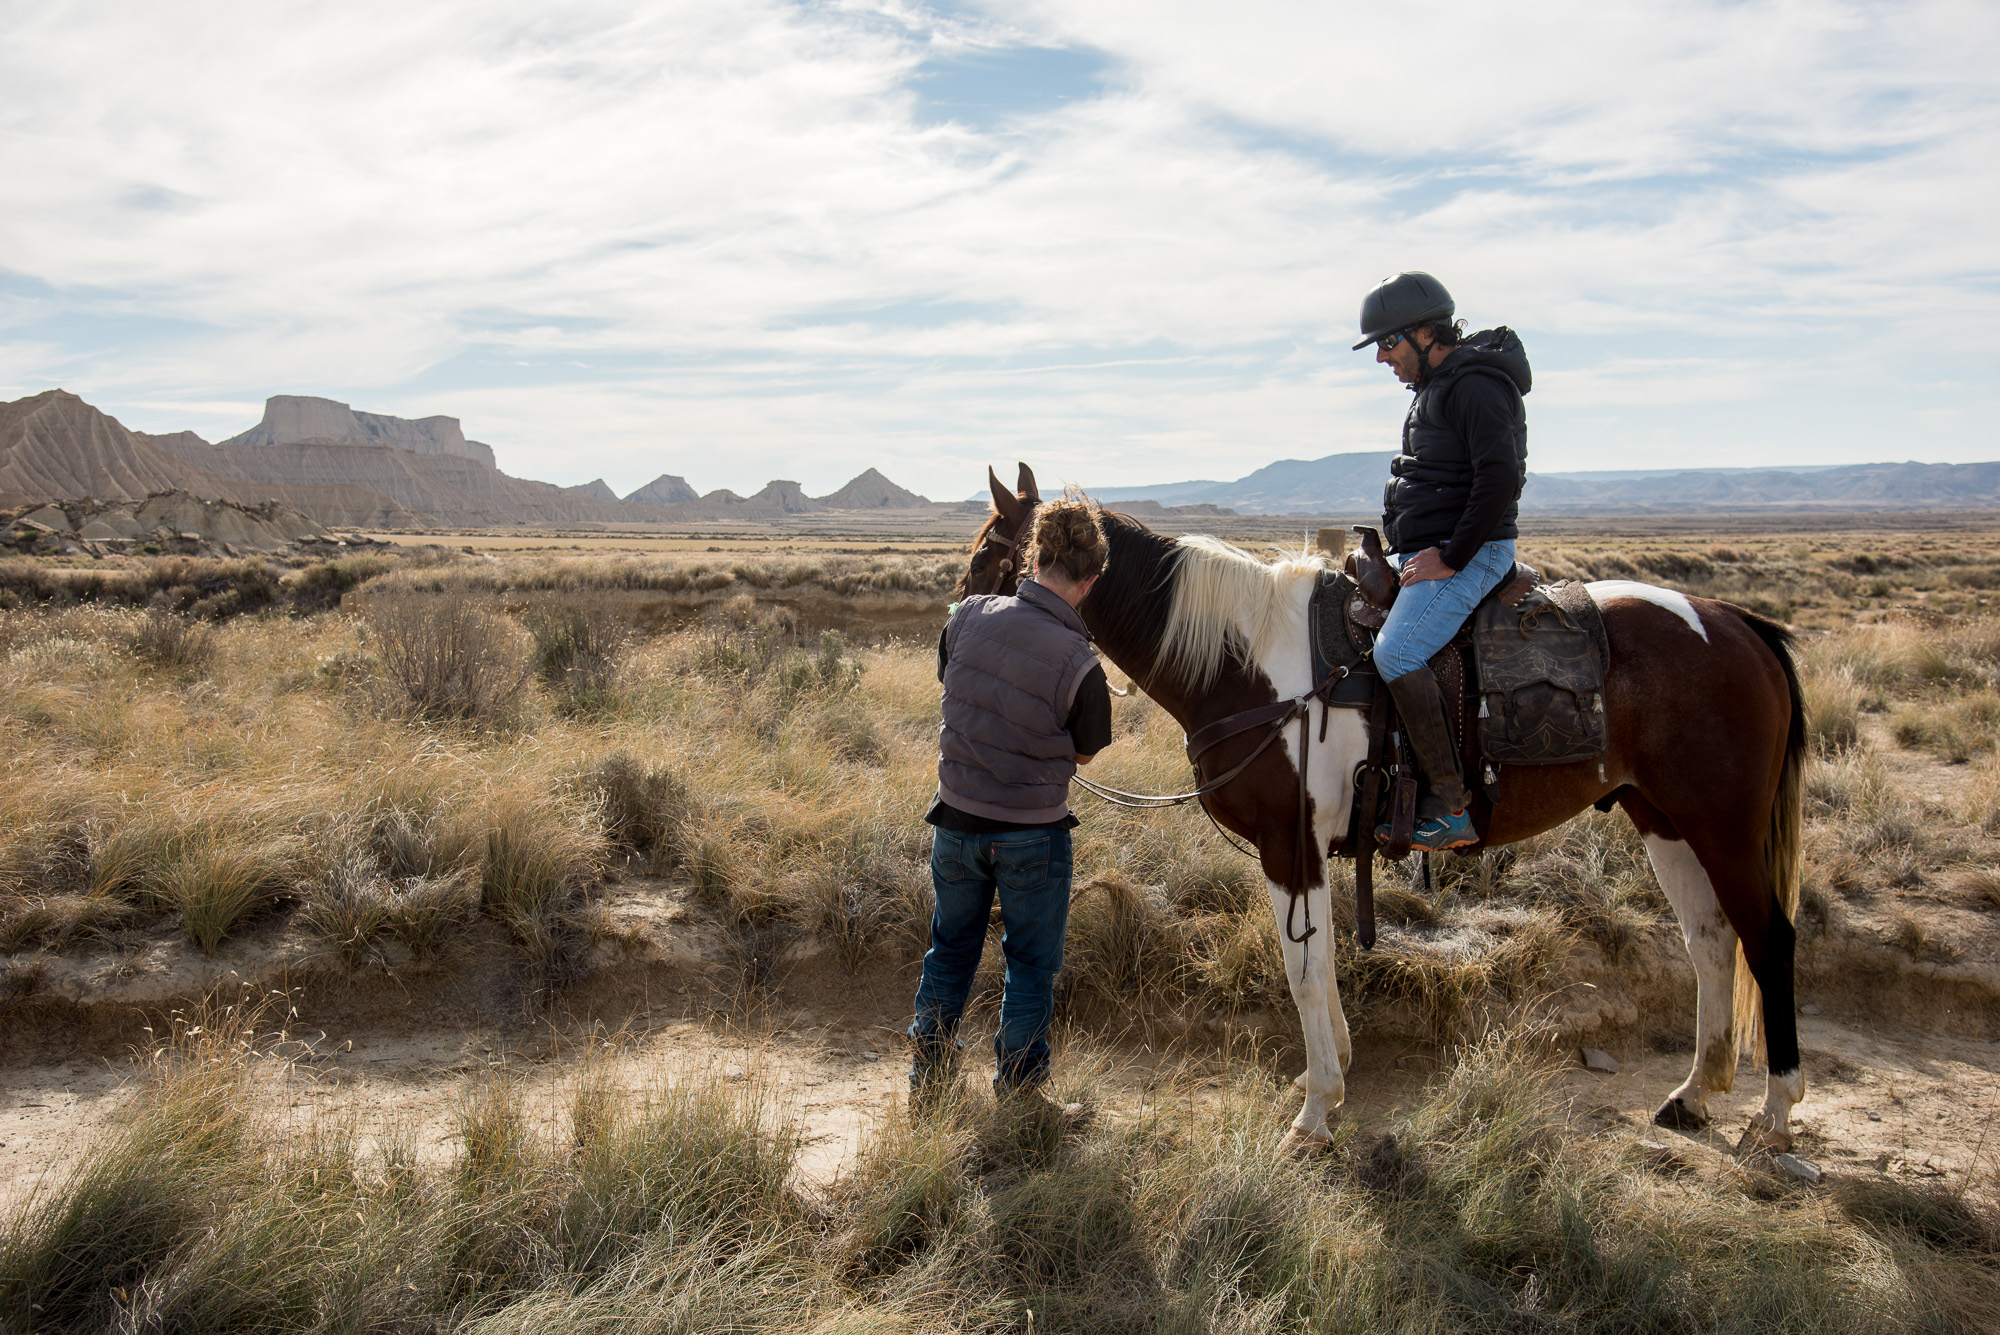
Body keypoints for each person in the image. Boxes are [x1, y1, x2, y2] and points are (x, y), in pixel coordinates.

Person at [908, 491, 1114, 1108]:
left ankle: (928, 1088)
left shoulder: (965, 616)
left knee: (949, 952)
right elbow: (1084, 752)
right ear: (1091, 579)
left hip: (955, 823)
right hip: (1033, 837)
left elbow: (953, 678)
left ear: (1033, 555)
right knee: (1028, 966)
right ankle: (1022, 1098)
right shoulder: (1082, 664)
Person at [1354, 271, 1532, 851]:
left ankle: (1450, 806)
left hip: (1474, 554)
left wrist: (1451, 558)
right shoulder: (1437, 387)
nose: (1382, 358)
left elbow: (1500, 477)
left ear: (1425, 332)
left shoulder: (1475, 385)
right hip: (1430, 550)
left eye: (1387, 343)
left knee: (1397, 652)